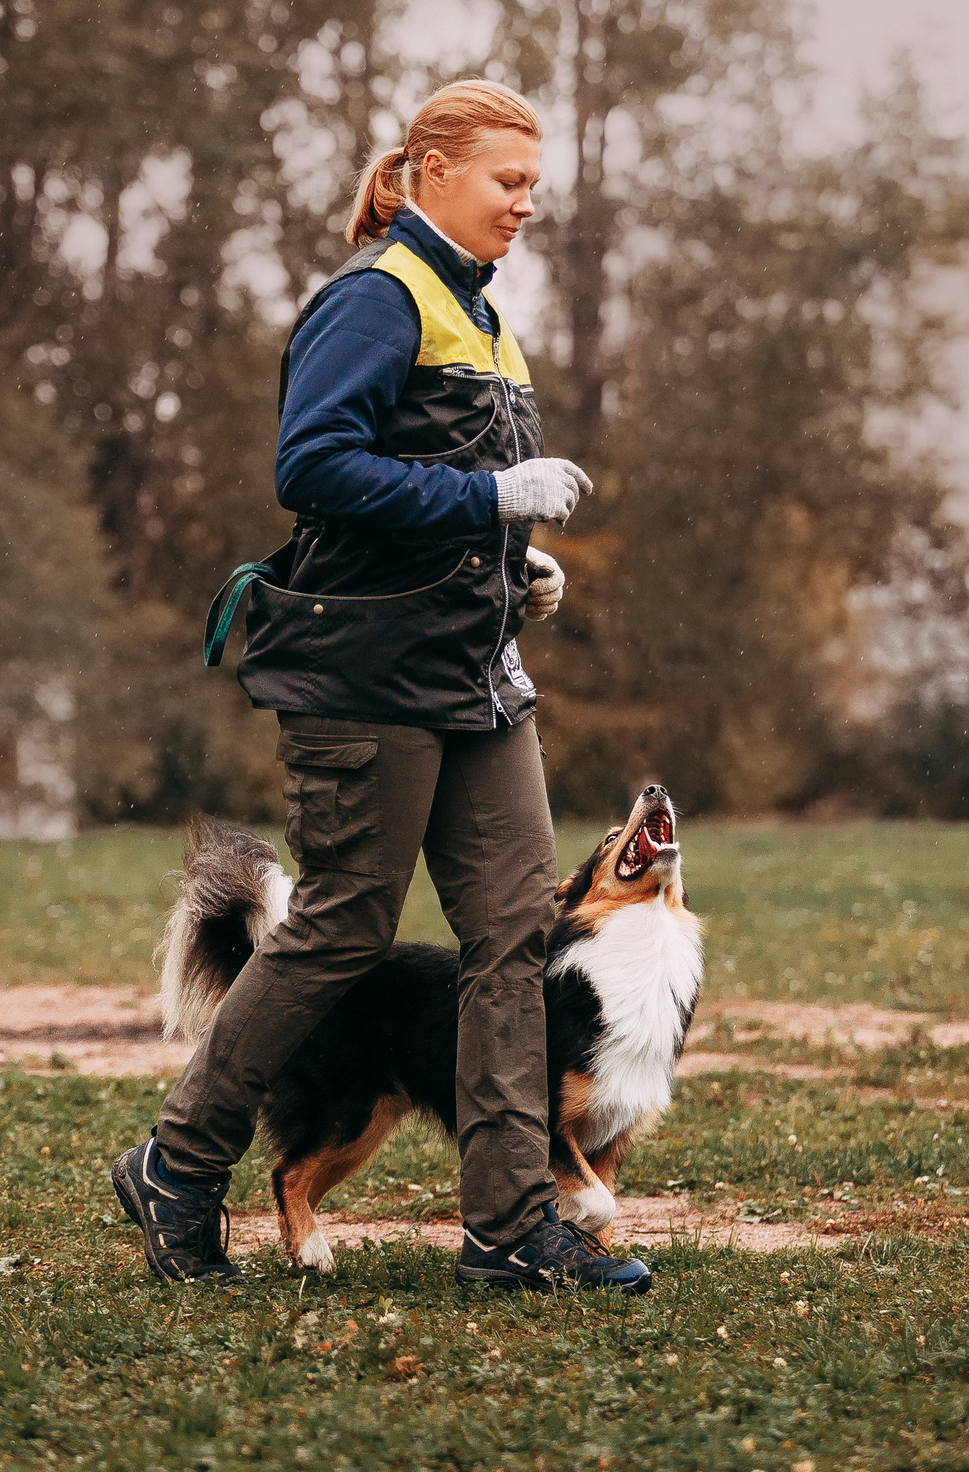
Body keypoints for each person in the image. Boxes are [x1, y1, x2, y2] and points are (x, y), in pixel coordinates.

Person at [111, 80, 649, 1293]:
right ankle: (179, 1161)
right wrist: (490, 502)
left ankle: (510, 1225)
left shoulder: (482, 317)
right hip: (366, 676)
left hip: (475, 676)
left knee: (513, 933)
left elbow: (436, 488)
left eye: (534, 186)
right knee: (346, 926)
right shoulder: (373, 300)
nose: (526, 203)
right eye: (508, 181)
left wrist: (517, 566)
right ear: (431, 171)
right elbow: (316, 469)